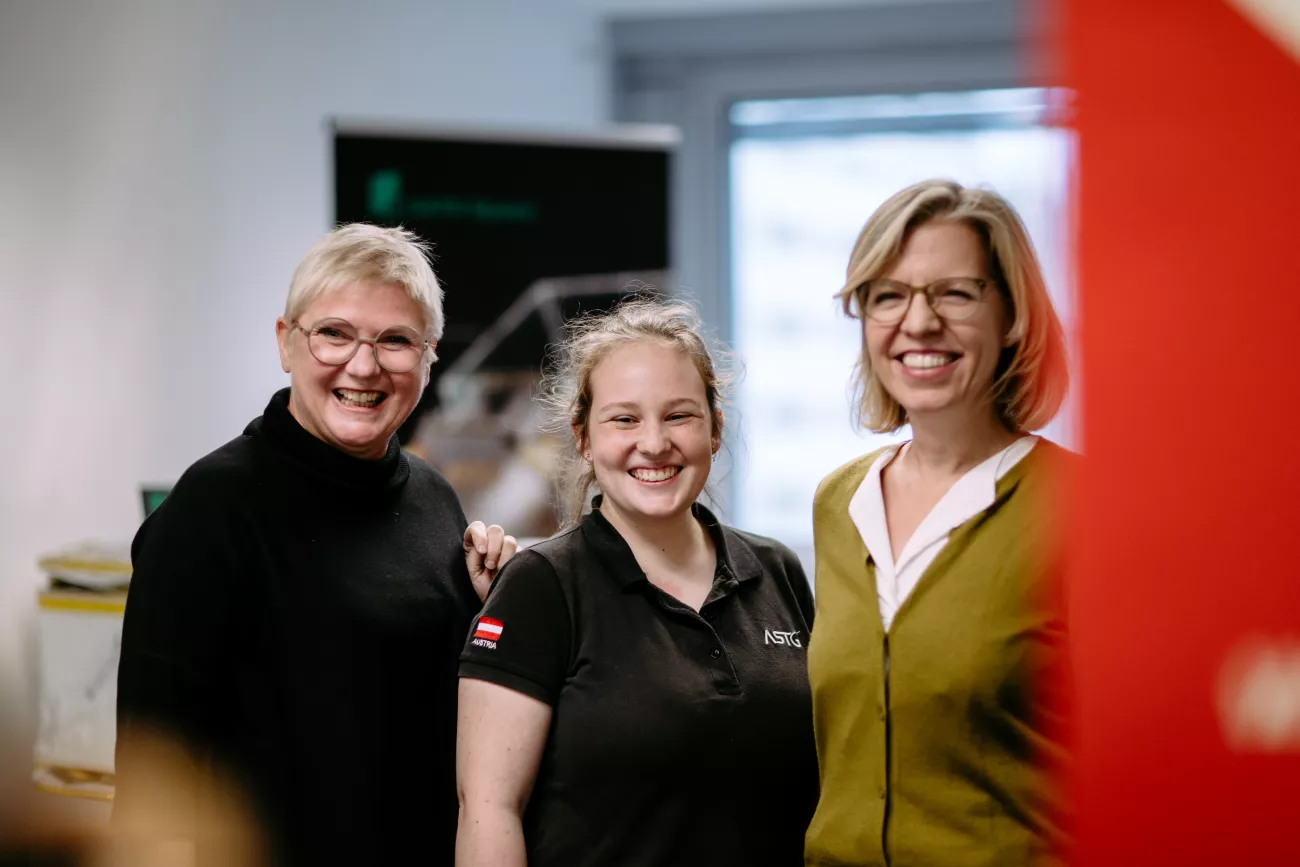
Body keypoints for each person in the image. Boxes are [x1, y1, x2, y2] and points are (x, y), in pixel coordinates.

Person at [114, 224, 518, 866]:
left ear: (428, 357)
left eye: (395, 341)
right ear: (285, 343)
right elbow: (152, 773)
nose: (364, 365)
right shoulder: (212, 509)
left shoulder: (435, 500)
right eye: (334, 333)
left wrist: (492, 604)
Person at [455, 298, 818, 867]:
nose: (653, 443)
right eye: (624, 419)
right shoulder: (540, 586)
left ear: (715, 429)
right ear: (583, 438)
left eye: (679, 416)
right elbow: (488, 810)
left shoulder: (778, 571)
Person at [804, 180, 1074, 867]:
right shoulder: (839, 504)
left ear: (1012, 314)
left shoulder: (1084, 506)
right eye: (888, 296)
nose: (918, 323)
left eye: (955, 292)